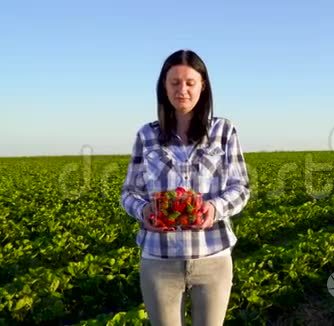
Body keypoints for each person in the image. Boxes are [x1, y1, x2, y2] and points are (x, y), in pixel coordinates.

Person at [120, 49, 250, 326]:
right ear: (163, 87)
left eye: (190, 82)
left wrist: (212, 209)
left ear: (203, 85)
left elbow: (240, 187)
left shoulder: (223, 132)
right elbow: (128, 193)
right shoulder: (147, 135)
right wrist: (145, 213)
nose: (183, 90)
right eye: (175, 82)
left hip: (213, 256)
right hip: (159, 260)